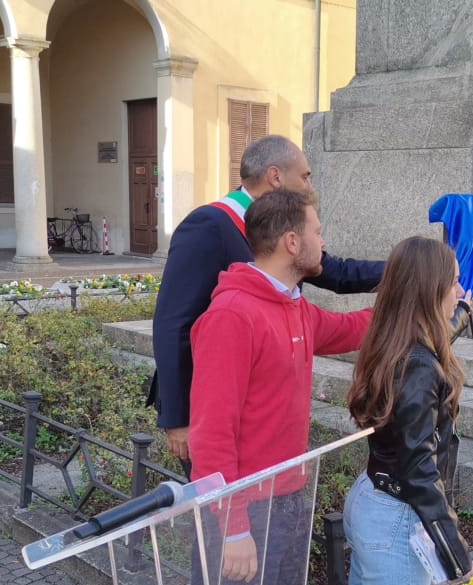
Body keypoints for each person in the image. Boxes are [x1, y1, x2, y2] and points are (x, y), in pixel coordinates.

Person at [187, 188, 374, 585]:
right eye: (317, 232)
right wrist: (235, 526)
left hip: (287, 503)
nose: (323, 241)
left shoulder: (293, 307)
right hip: (249, 514)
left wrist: (417, 304)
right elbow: (211, 436)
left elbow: (350, 329)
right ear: (292, 243)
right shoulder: (234, 315)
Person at [150, 135, 384, 465]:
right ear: (275, 177)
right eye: (304, 176)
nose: (309, 186)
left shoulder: (285, 233)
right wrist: (178, 418)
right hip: (209, 397)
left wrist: (405, 273)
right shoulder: (209, 224)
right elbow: (173, 321)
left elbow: (334, 271)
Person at [331, 236, 473, 585]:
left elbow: (422, 376)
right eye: (453, 281)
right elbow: (418, 467)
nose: (460, 290)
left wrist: (453, 322)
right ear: (430, 289)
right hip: (398, 517)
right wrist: (453, 547)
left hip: (372, 499)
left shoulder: (392, 342)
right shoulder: (417, 364)